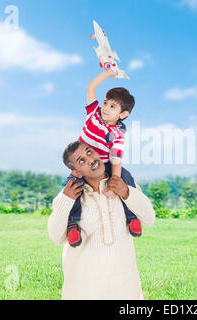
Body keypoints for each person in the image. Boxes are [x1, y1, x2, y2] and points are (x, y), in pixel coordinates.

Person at [48, 140, 155, 300]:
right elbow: (56, 237)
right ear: (76, 172)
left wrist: (126, 192)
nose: (90, 160)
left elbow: (149, 218)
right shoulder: (68, 196)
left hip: (125, 290)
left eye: (89, 152)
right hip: (82, 291)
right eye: (81, 161)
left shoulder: (124, 184)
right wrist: (66, 199)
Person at [66, 68, 142, 248]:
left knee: (127, 178)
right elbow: (91, 88)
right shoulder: (94, 114)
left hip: (104, 165)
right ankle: (73, 225)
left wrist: (114, 183)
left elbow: (116, 160)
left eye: (112, 106)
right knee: (71, 184)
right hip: (83, 163)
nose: (106, 108)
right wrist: (108, 73)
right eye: (106, 103)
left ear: (123, 115)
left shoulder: (118, 134)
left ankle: (132, 217)